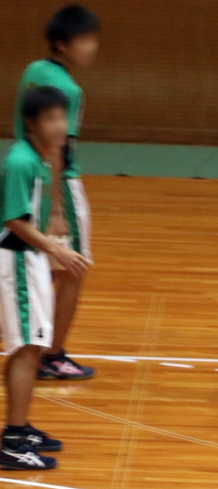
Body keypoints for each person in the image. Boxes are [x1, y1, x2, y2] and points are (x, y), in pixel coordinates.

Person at [1, 86, 91, 470]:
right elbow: (14, 222)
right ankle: (12, 440)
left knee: (33, 347)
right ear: (30, 123)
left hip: (30, 260)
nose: (61, 126)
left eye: (63, 117)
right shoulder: (22, 162)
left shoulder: (41, 157)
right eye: (51, 118)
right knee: (25, 348)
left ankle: (19, 431)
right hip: (18, 262)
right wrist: (56, 248)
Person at [13, 5, 101, 380]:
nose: (92, 47)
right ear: (61, 44)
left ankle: (34, 345)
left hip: (29, 180)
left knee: (41, 267)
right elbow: (60, 150)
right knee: (72, 270)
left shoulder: (34, 70)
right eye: (85, 40)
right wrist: (59, 211)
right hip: (58, 183)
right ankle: (52, 354)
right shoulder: (69, 89)